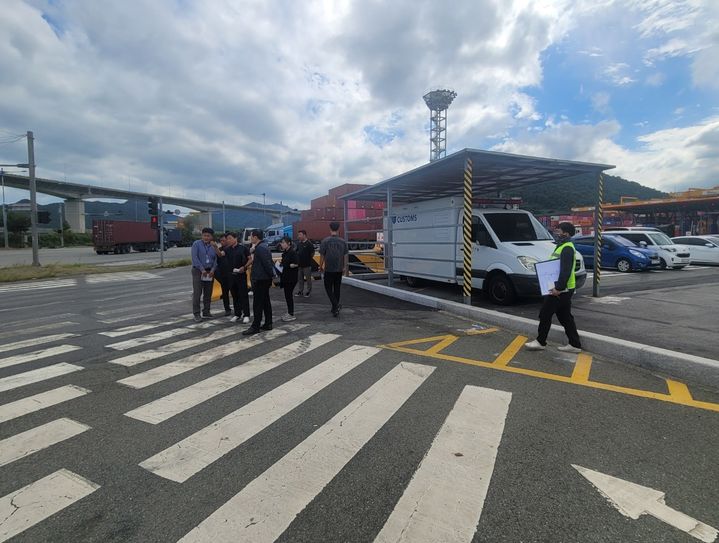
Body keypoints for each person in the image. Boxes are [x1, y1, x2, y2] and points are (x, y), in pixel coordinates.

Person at [525, 222, 582, 353]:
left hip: (562, 289)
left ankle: (540, 341)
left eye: (559, 231)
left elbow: (565, 270)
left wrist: (559, 288)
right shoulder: (562, 246)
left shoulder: (566, 248)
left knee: (545, 314)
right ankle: (574, 344)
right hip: (565, 289)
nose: (556, 233)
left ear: (566, 233)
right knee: (565, 316)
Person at [243, 229, 275, 335]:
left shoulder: (260, 248)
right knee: (265, 302)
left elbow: (267, 264)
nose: (250, 238)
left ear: (256, 237)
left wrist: (271, 275)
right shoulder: (261, 247)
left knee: (258, 304)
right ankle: (268, 323)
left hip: (261, 279)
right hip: (263, 278)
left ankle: (255, 326)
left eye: (251, 236)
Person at [319, 221, 349, 317]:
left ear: (330, 229)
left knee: (328, 287)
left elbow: (322, 255)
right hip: (339, 268)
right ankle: (334, 308)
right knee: (337, 288)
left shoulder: (325, 241)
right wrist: (344, 267)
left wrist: (320, 266)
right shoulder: (343, 241)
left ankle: (335, 306)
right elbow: (345, 255)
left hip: (329, 269)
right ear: (338, 229)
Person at [190, 227, 218, 322]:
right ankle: (196, 314)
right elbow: (195, 258)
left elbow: (216, 259)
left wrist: (213, 270)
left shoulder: (214, 246)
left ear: (212, 237)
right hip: (198, 271)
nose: (206, 237)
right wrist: (202, 269)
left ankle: (206, 311)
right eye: (204, 235)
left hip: (210, 272)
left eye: (208, 236)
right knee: (197, 293)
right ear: (202, 236)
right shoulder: (196, 244)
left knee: (208, 292)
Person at [225, 232, 251, 324]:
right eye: (227, 239)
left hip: (241, 275)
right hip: (231, 276)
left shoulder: (243, 248)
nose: (228, 240)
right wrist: (215, 247)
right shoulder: (227, 249)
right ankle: (237, 314)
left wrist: (244, 267)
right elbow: (220, 255)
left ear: (235, 238)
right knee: (234, 295)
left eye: (230, 238)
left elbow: (250, 259)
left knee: (243, 295)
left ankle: (246, 314)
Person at [279, 236, 299, 321]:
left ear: (289, 243)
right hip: (285, 276)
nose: (282, 244)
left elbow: (297, 263)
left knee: (288, 295)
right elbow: (284, 263)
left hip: (291, 277)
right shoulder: (285, 253)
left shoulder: (292, 252)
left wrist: (292, 265)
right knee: (287, 295)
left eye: (283, 243)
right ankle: (289, 312)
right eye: (281, 243)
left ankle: (291, 314)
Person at [213, 233, 233, 316]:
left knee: (235, 292)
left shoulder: (231, 249)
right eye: (220, 241)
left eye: (223, 240)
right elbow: (216, 260)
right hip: (222, 274)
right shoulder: (219, 249)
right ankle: (227, 309)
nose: (222, 242)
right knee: (225, 293)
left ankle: (239, 308)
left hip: (231, 274)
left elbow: (221, 255)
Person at [295, 229, 315, 297]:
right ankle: (300, 291)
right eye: (298, 235)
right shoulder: (299, 243)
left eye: (300, 235)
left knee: (308, 279)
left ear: (304, 235)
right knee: (300, 279)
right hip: (300, 265)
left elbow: (312, 253)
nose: (299, 236)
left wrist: (307, 259)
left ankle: (308, 291)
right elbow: (296, 252)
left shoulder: (309, 244)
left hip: (307, 265)